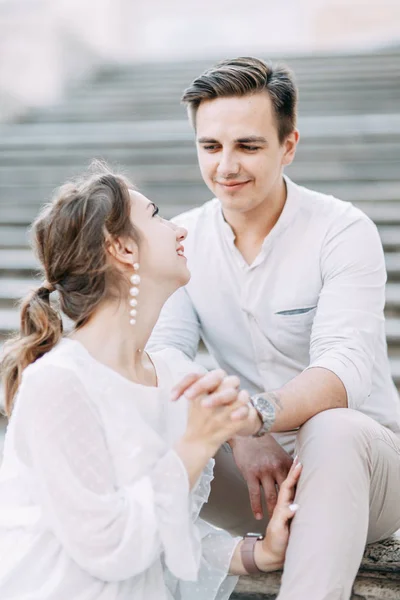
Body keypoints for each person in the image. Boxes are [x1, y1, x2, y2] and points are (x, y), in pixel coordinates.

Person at [148, 57, 400, 600]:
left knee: (332, 428)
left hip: (365, 469)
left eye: (249, 146)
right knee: (147, 418)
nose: (227, 166)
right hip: (253, 481)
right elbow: (162, 355)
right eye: (210, 147)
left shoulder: (343, 230)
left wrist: (252, 418)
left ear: (288, 146)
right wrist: (237, 431)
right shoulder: (180, 239)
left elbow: (343, 369)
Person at [0, 163, 302, 600]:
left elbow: (165, 530)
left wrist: (256, 553)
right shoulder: (58, 383)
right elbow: (110, 546)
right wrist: (196, 445)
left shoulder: (177, 377)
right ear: (121, 248)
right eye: (157, 215)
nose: (178, 230)